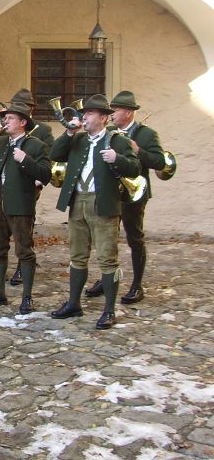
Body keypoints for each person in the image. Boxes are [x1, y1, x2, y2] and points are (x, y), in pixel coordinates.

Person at [49, 94, 141, 330]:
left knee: (107, 258)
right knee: (77, 256)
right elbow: (55, 154)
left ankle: (109, 310)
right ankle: (73, 304)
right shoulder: (77, 139)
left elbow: (135, 168)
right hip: (77, 200)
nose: (84, 117)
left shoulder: (116, 140)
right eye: (84, 113)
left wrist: (117, 158)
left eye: (89, 114)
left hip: (103, 204)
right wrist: (69, 132)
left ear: (103, 117)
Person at [84, 90, 166, 304]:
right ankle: (107, 279)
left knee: (134, 238)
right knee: (107, 237)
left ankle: (136, 285)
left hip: (133, 194)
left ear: (128, 112)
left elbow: (159, 162)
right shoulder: (109, 131)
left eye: (116, 110)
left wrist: (138, 151)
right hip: (112, 192)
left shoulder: (146, 134)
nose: (111, 114)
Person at [0, 102, 51, 313]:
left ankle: (27, 297)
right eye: (4, 118)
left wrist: (25, 160)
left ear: (23, 122)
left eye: (10, 118)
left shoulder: (36, 145)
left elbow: (46, 174)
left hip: (20, 203)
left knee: (24, 250)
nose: (4, 121)